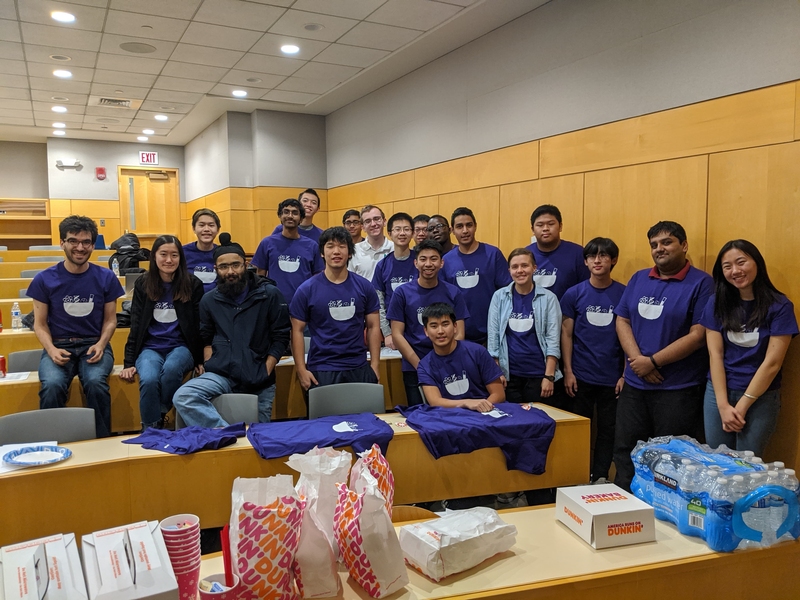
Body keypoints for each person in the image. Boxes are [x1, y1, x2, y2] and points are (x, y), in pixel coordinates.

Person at [613, 221, 713, 492]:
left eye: (667, 242)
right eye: (654, 245)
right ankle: (621, 504)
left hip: (677, 389)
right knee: (625, 450)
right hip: (636, 384)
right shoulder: (638, 278)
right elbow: (622, 320)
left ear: (684, 245)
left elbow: (698, 335)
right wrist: (638, 362)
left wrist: (654, 361)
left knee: (670, 459)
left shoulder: (702, 283)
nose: (659, 249)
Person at [173, 233, 290, 427]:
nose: (230, 271)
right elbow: (206, 337)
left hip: (259, 378)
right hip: (222, 374)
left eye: (235, 265)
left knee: (258, 437)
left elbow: (281, 335)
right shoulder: (209, 300)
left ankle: (235, 439)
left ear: (245, 265)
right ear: (216, 269)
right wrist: (210, 360)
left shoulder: (269, 294)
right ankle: (228, 434)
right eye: (224, 267)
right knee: (184, 396)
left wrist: (267, 366)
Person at [28, 215, 124, 438]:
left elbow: (111, 320)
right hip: (59, 345)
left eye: (86, 242)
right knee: (51, 385)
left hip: (94, 344)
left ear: (93, 245)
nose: (80, 247)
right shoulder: (44, 279)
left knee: (95, 383)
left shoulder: (106, 277)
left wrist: (102, 344)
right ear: (62, 242)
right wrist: (51, 350)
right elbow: (39, 324)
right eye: (73, 241)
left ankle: (100, 440)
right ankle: (53, 442)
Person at [701, 240, 798, 456]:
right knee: (717, 461)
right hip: (718, 392)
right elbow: (715, 355)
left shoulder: (779, 306)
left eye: (741, 262)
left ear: (757, 263)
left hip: (760, 396)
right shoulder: (715, 302)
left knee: (748, 464)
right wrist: (723, 405)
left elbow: (772, 363)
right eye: (727, 266)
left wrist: (743, 405)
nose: (735, 271)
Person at [120, 236, 205, 430]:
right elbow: (136, 324)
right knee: (149, 379)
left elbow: (199, 324)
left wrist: (200, 360)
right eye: (163, 254)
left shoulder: (193, 284)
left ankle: (158, 415)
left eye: (174, 255)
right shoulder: (143, 284)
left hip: (182, 347)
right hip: (151, 347)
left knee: (172, 369)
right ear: (154, 257)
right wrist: (129, 362)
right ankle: (150, 429)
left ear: (180, 258)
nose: (169, 260)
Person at [560, 238, 626, 483]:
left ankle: (600, 475)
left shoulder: (624, 293)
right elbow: (566, 333)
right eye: (592, 256)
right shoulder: (574, 293)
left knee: (608, 430)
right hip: (580, 375)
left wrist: (624, 374)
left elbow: (631, 336)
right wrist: (568, 371)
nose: (597, 261)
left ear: (613, 260)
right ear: (586, 261)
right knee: (580, 429)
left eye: (603, 256)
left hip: (612, 377)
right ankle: (579, 474)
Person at [290, 227, 382, 396]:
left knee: (363, 420)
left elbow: (374, 327)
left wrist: (375, 365)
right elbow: (297, 330)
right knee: (323, 422)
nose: (336, 251)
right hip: (321, 369)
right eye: (330, 246)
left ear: (350, 253)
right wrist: (301, 370)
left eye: (342, 246)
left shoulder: (364, 287)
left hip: (358, 366)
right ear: (322, 253)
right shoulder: (306, 289)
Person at [387, 240, 469, 406]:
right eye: (423, 259)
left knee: (452, 412)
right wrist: (420, 365)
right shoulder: (402, 293)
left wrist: (447, 360)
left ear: (441, 262)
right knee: (420, 415)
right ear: (415, 263)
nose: (428, 264)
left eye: (434, 259)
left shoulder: (453, 292)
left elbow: (459, 332)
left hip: (448, 364)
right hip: (413, 365)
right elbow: (397, 334)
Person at [487, 248, 563, 408]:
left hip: (538, 375)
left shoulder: (549, 298)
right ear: (509, 271)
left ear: (534, 268)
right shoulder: (499, 297)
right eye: (515, 267)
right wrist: (496, 372)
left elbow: (553, 339)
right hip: (509, 376)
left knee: (539, 425)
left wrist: (549, 377)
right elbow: (493, 338)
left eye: (524, 266)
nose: (520, 270)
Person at [418, 302, 505, 411]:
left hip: (485, 415)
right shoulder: (425, 365)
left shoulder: (478, 352)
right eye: (434, 326)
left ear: (455, 327)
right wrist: (467, 403)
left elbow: (498, 394)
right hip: (451, 418)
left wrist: (482, 409)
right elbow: (435, 402)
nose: (440, 331)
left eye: (445, 324)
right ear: (426, 331)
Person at [442, 207, 511, 344]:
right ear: (452, 230)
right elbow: (444, 299)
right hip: (458, 336)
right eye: (459, 226)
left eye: (469, 225)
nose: (465, 230)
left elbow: (507, 293)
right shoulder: (446, 261)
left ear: (475, 226)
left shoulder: (493, 254)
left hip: (491, 334)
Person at [251, 198, 324, 305]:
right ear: (280, 216)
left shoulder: (312, 246)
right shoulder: (267, 243)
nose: (290, 216)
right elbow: (260, 275)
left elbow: (317, 277)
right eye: (286, 212)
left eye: (295, 213)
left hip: (303, 303)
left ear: (301, 218)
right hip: (273, 303)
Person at [372, 212, 417, 350]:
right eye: (397, 229)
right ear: (390, 233)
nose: (402, 233)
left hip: (419, 328)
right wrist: (387, 333)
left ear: (413, 233)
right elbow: (378, 303)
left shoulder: (420, 261)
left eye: (406, 229)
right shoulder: (382, 265)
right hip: (394, 331)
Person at [525, 204, 589, 299]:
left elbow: (586, 289)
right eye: (540, 225)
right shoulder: (525, 255)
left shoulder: (578, 253)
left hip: (566, 313)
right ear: (533, 230)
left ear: (560, 226)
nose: (545, 228)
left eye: (551, 224)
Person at [349, 205, 394, 281]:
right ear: (363, 227)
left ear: (384, 222)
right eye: (368, 221)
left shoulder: (394, 249)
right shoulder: (354, 251)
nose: (373, 224)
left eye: (377, 219)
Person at [183, 208, 220, 293]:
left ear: (218, 229)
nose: (206, 229)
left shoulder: (222, 253)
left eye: (211, 225)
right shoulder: (182, 252)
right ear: (194, 228)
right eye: (201, 225)